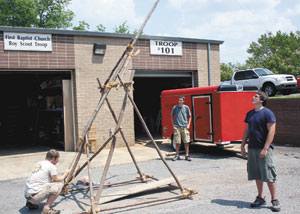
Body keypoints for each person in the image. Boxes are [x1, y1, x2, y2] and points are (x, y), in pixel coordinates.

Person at [241, 90, 280, 212]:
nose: (253, 97)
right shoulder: (250, 113)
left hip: (264, 149)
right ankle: (261, 197)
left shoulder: (268, 114)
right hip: (252, 148)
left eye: (256, 96)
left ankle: (274, 199)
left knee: (268, 175)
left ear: (261, 100)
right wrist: (242, 145)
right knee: (256, 174)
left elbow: (272, 132)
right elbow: (247, 129)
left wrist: (265, 148)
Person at [25, 149, 70, 214]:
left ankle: (30, 203)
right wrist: (65, 174)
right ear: (53, 158)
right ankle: (46, 209)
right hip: (35, 196)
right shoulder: (51, 166)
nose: (57, 162)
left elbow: (50, 180)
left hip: (28, 195)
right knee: (59, 186)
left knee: (47, 184)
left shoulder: (39, 163)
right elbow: (55, 179)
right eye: (57, 160)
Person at [171, 95, 192, 161]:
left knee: (186, 142)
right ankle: (177, 155)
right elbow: (171, 116)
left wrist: (189, 124)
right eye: (179, 100)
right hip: (177, 127)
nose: (179, 101)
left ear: (183, 101)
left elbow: (190, 116)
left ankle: (187, 155)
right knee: (177, 142)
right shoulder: (175, 107)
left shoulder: (186, 107)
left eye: (181, 100)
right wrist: (173, 125)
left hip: (185, 127)